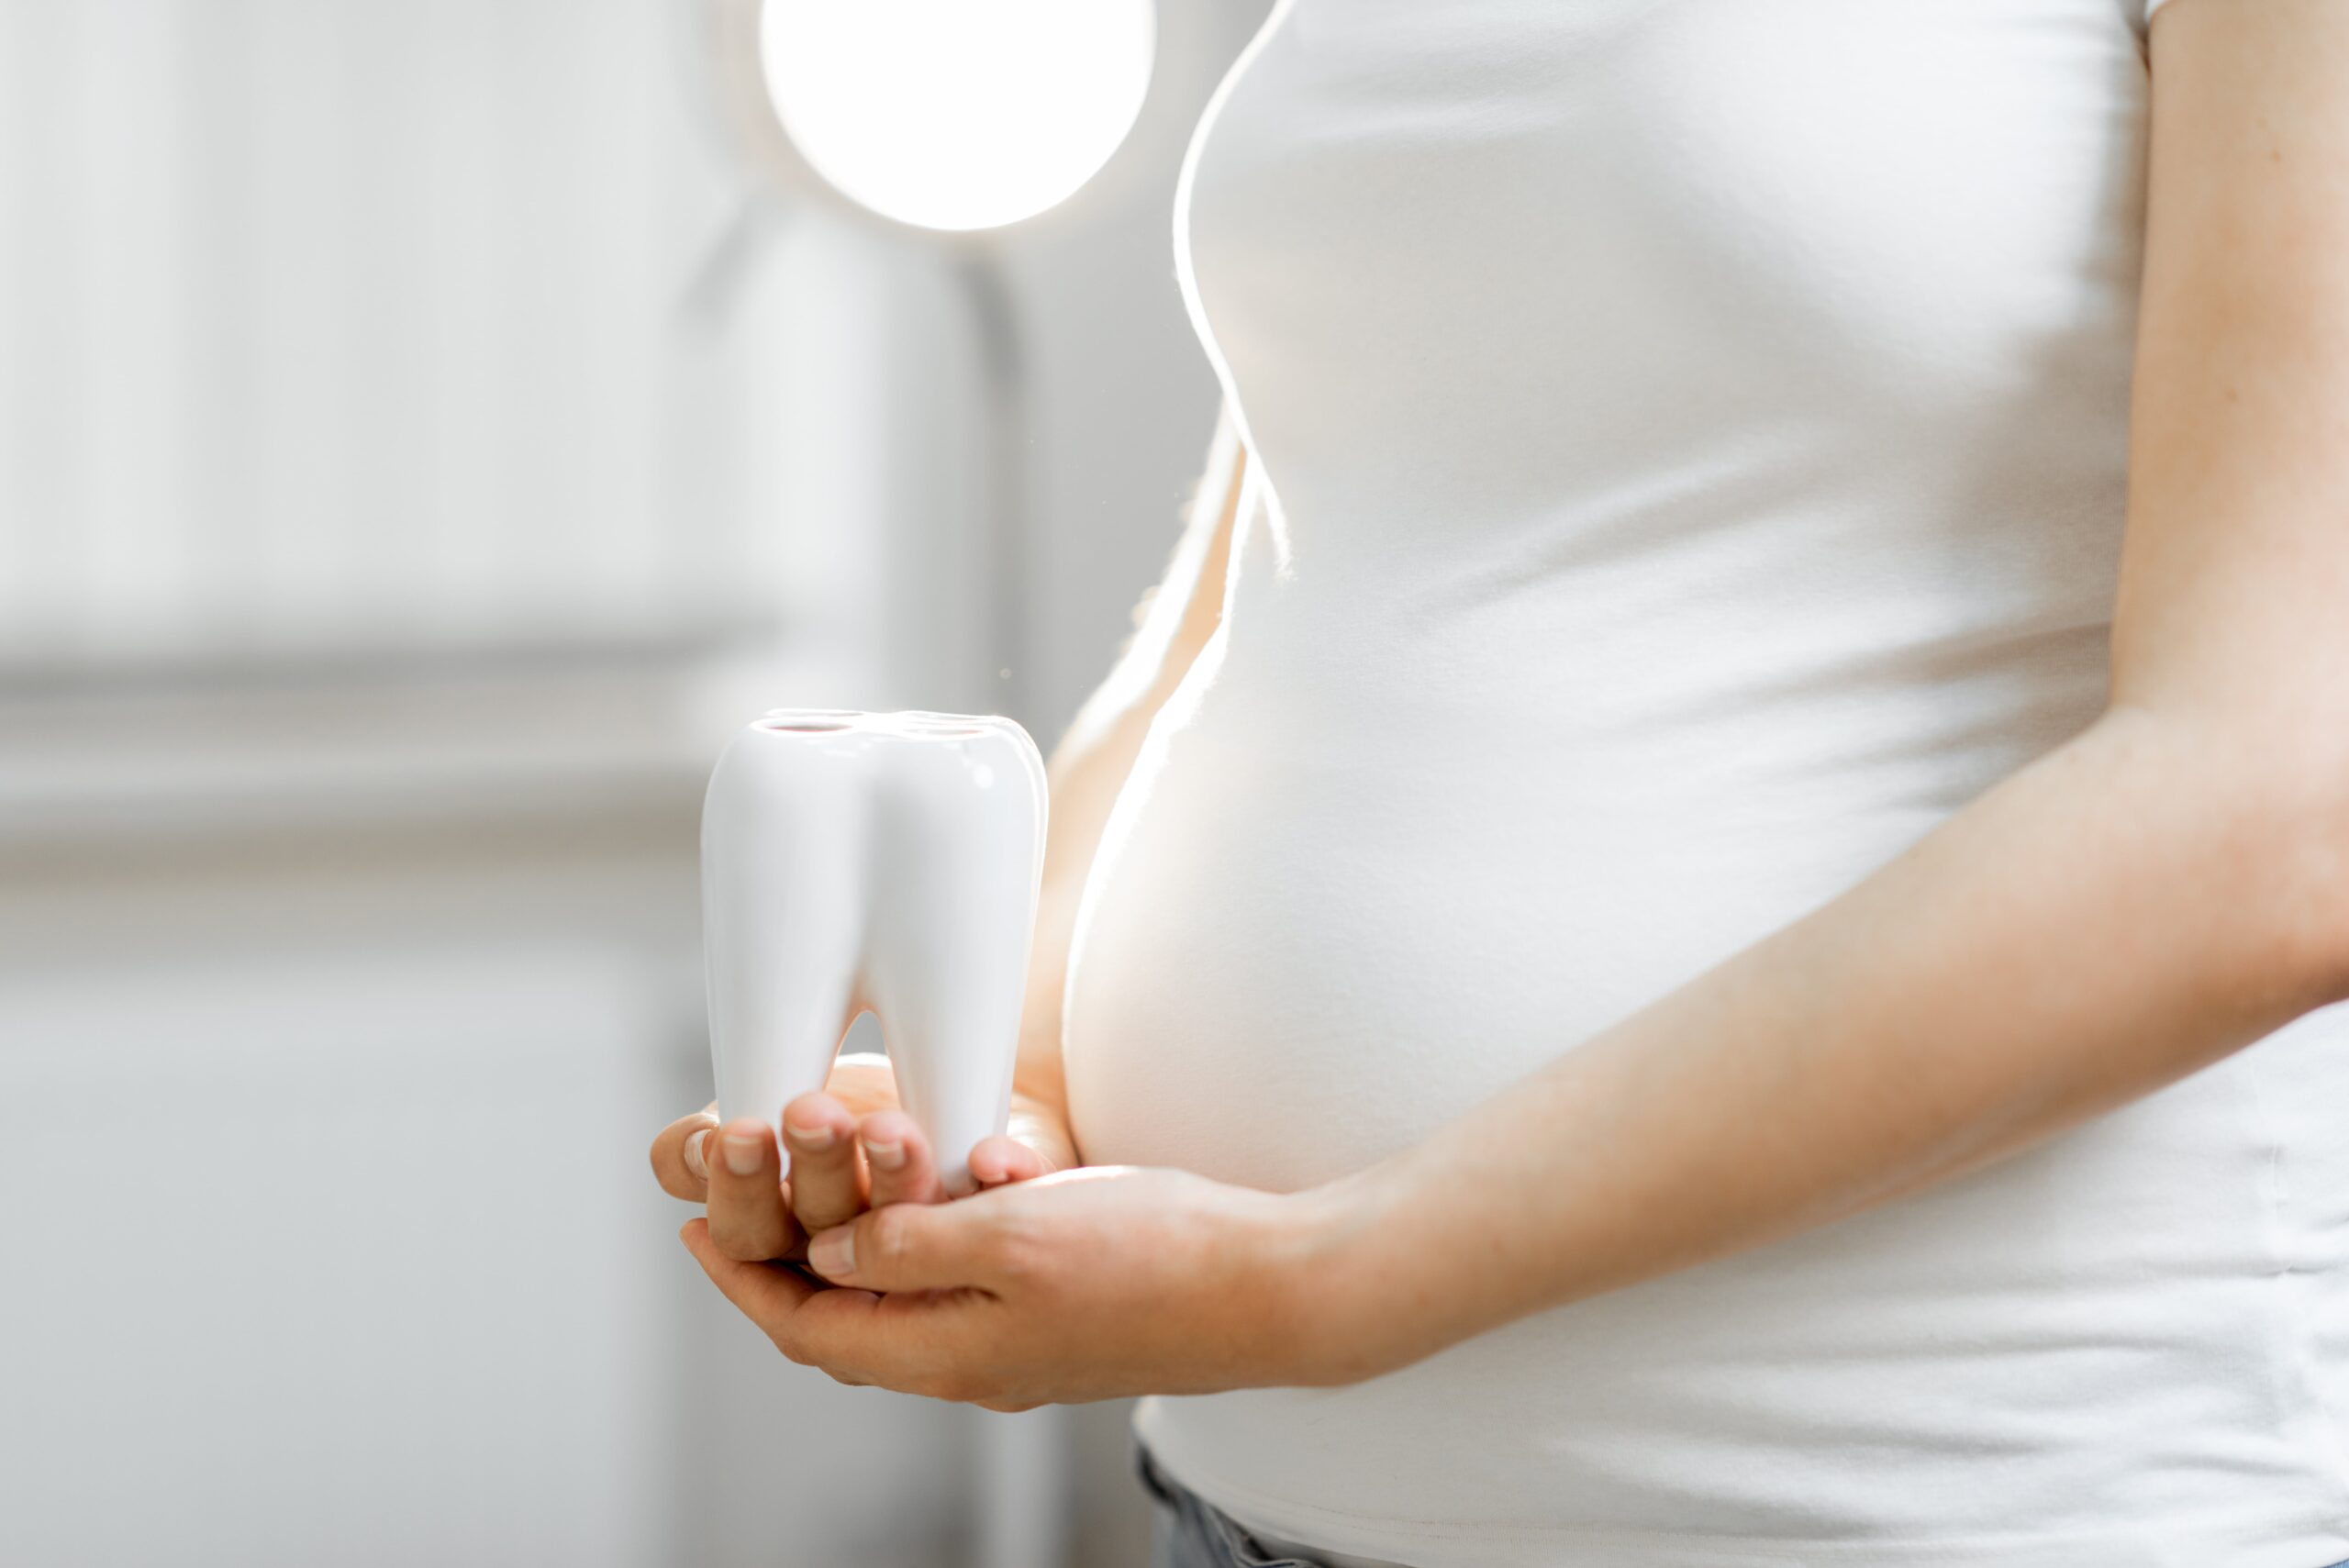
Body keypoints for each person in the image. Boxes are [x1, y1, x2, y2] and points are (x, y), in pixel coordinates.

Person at [651, 3, 2349, 1564]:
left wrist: (1329, 1283)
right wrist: (1004, 1094)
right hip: (1253, 1511)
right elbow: (1301, 556)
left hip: (1961, 1502)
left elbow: (2282, 816)